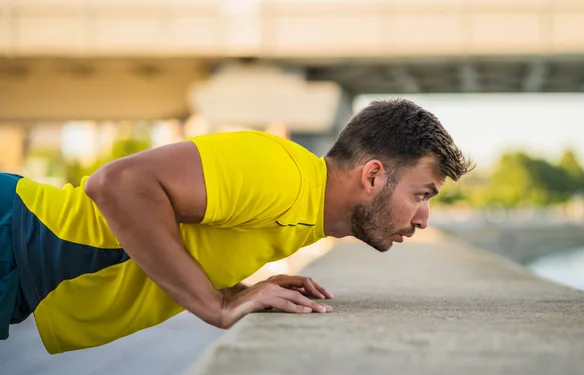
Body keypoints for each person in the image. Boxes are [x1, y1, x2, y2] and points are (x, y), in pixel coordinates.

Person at [0, 98, 473, 354]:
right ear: (372, 176)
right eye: (421, 194)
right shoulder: (284, 173)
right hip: (12, 236)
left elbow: (186, 232)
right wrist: (215, 303)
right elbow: (119, 184)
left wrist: (239, 286)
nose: (424, 218)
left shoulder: (304, 208)